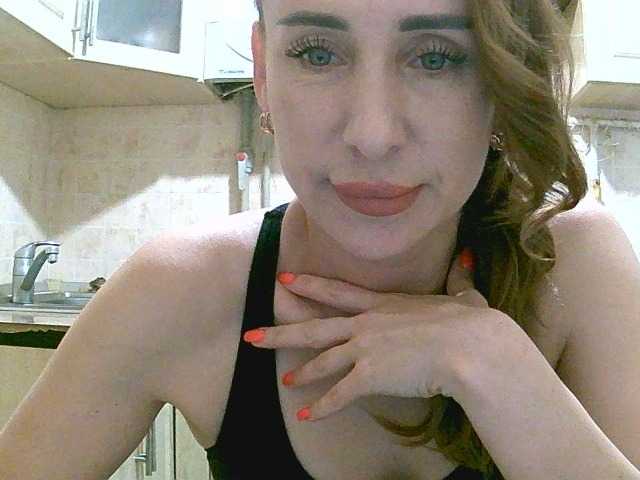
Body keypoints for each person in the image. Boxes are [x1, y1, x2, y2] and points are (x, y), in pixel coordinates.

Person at [1, 0, 639, 479]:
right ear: (263, 71)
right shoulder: (178, 287)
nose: (373, 135)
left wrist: (500, 370)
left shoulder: (573, 266)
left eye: (437, 57)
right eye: (317, 53)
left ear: (503, 82)